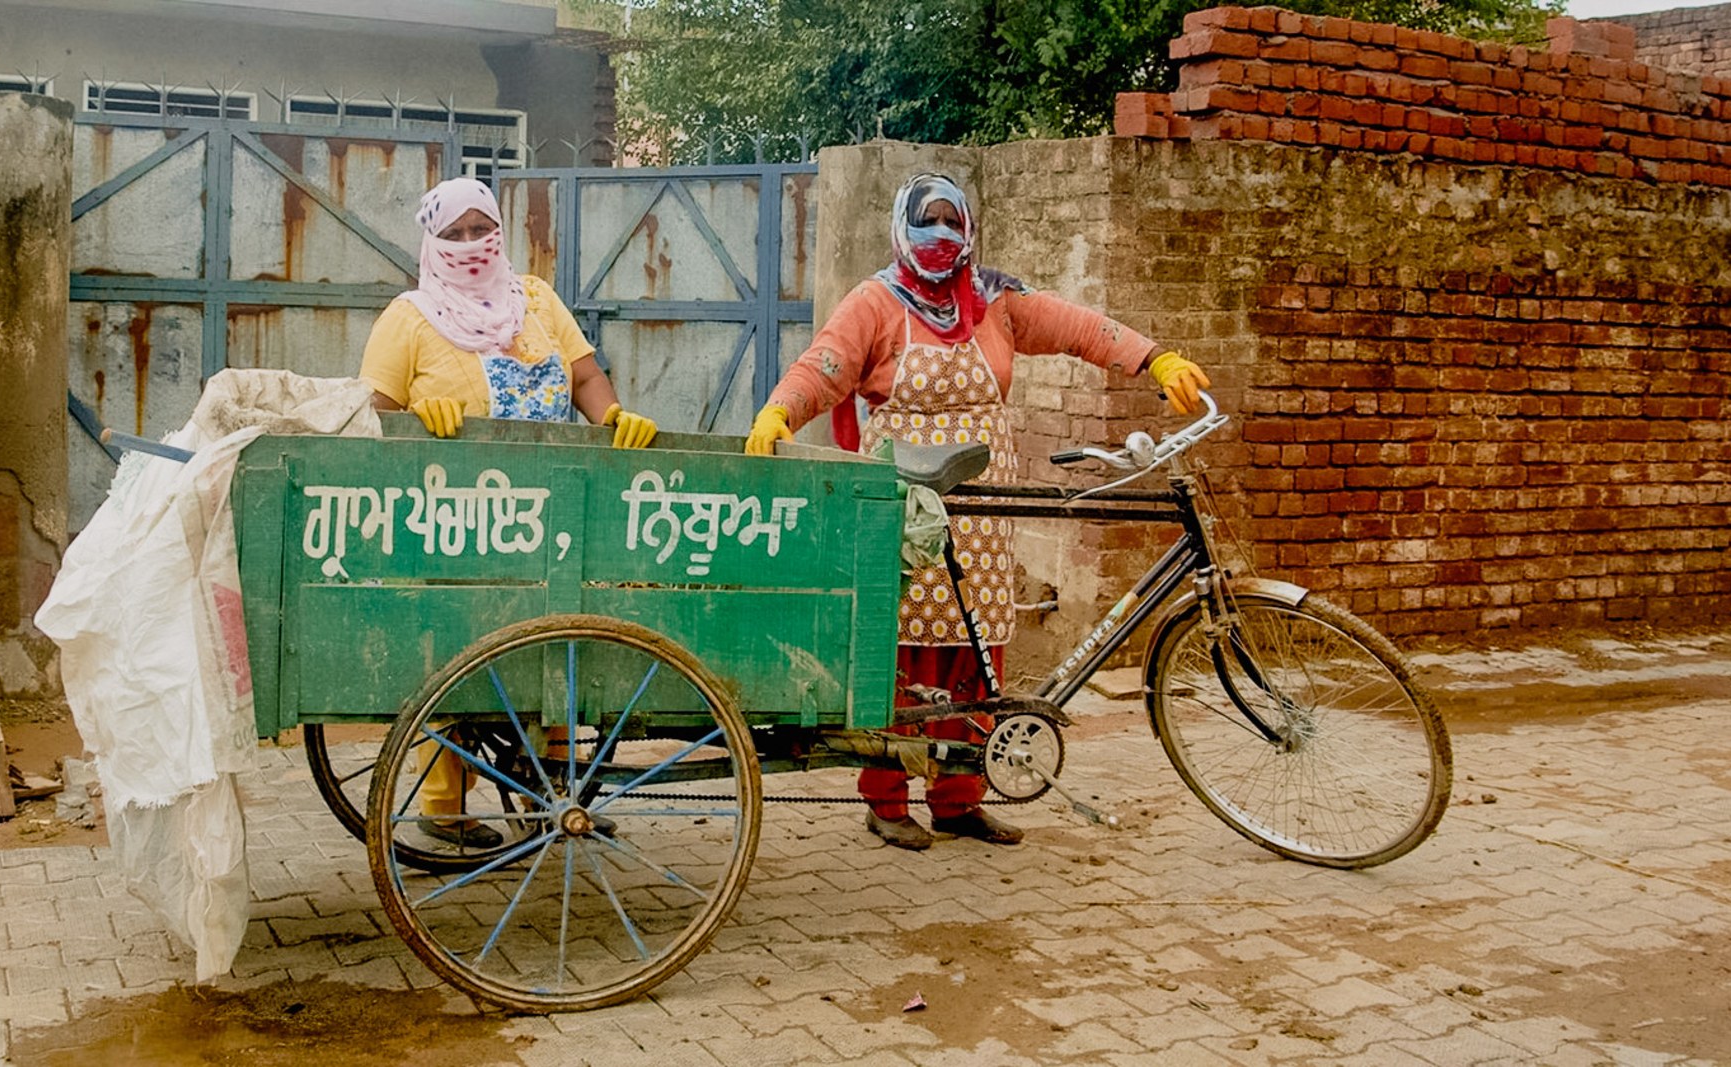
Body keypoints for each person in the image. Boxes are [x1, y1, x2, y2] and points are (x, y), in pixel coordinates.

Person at [745, 173, 1209, 851]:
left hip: (986, 509)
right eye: (927, 222)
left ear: (969, 230)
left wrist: (1154, 358)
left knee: (976, 652)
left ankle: (959, 798)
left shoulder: (997, 302)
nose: (941, 237)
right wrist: (781, 410)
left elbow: (1082, 329)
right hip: (905, 503)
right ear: (904, 228)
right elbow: (827, 365)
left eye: (951, 223)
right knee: (903, 653)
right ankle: (886, 797)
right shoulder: (876, 302)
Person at [361, 176, 658, 848]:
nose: (470, 245)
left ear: (500, 232)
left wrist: (611, 415)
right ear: (431, 242)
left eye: (480, 230)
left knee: (561, 643)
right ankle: (443, 802)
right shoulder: (407, 318)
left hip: (555, 510)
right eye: (454, 234)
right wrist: (413, 421)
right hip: (458, 522)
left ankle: (551, 791)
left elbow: (582, 373)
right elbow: (369, 415)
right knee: (457, 656)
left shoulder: (537, 301)